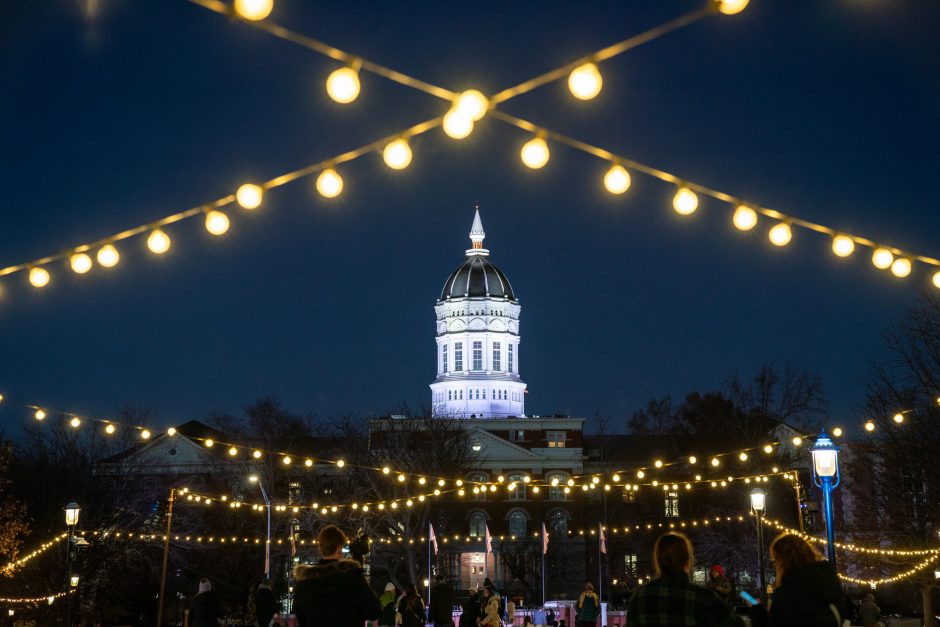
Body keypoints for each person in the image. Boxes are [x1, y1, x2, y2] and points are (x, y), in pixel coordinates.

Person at [627, 532, 743, 626]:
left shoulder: (639, 597)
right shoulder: (704, 598)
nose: (715, 573)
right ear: (687, 559)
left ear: (657, 560)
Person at [748, 533, 847, 627]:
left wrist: (758, 613)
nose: (775, 565)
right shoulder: (832, 587)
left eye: (774, 560)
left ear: (782, 560)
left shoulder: (786, 595)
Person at [292, 525, 381, 627]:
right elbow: (373, 611)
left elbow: (300, 617)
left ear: (320, 548)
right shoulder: (352, 578)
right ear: (340, 547)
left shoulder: (305, 583)